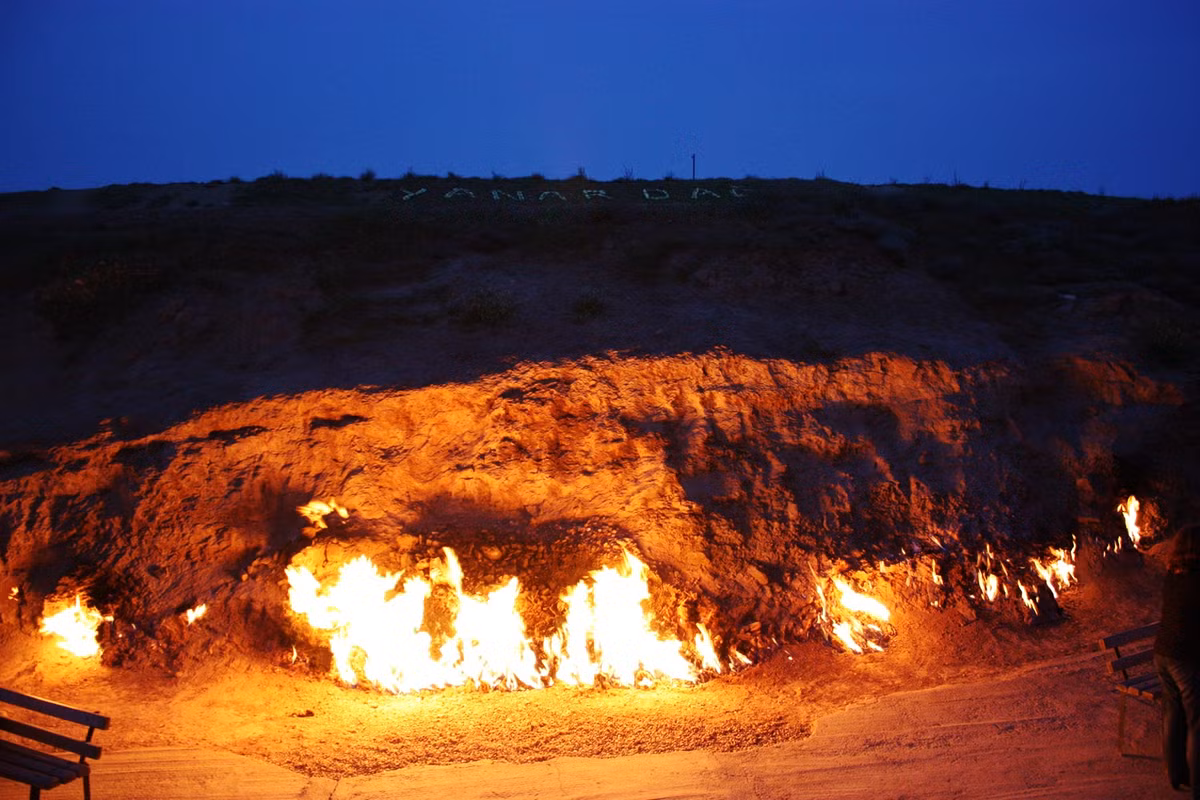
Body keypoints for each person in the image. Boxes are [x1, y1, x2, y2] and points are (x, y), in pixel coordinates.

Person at [1156, 523, 1200, 797]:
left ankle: (1176, 775)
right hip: (1184, 659)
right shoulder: (1196, 579)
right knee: (1197, 720)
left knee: (1174, 714)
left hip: (1162, 654)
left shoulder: (1173, 575)